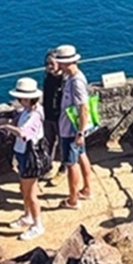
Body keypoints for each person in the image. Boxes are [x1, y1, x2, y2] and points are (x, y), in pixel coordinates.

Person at [0, 77, 47, 240]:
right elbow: (18, 122)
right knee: (23, 189)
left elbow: (24, 133)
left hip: (30, 155)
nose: (19, 100)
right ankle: (28, 216)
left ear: (27, 98)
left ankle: (38, 225)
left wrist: (6, 127)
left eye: (21, 98)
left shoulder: (35, 115)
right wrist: (8, 121)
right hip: (22, 153)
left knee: (31, 193)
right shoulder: (27, 111)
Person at [53, 44, 95, 208]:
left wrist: (79, 132)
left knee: (71, 164)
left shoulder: (76, 82)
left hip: (71, 129)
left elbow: (83, 108)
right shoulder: (71, 77)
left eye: (61, 63)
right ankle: (87, 189)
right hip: (73, 128)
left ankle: (73, 200)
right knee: (81, 156)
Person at [41, 51, 66, 185]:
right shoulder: (48, 77)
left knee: (63, 144)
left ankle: (64, 169)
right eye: (47, 64)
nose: (49, 66)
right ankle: (47, 167)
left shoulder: (65, 80)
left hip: (61, 118)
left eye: (52, 63)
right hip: (48, 116)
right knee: (48, 143)